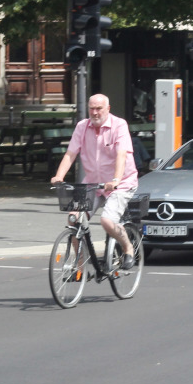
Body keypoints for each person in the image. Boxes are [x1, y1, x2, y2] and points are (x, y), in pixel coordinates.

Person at [51, 94, 139, 268]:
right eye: (92, 108)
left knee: (107, 221)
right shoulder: (82, 127)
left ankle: (127, 246)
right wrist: (59, 176)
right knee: (73, 219)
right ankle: (81, 265)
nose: (95, 112)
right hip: (93, 183)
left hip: (121, 183)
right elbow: (70, 154)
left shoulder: (119, 125)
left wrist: (115, 180)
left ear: (108, 108)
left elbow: (121, 155)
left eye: (99, 108)